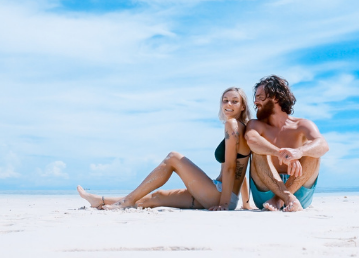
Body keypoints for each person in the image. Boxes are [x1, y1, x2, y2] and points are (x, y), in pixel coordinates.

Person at [77, 87, 255, 211]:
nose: (228, 105)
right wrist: (243, 202)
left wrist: (225, 204)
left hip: (219, 195)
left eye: (234, 101)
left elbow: (232, 167)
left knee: (174, 157)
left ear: (243, 106)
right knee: (157, 197)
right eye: (225, 100)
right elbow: (242, 169)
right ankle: (99, 200)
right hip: (222, 193)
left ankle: (127, 201)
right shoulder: (242, 128)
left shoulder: (232, 125)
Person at [245, 75, 329, 212]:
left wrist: (300, 151)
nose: (255, 102)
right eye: (255, 98)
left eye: (260, 97)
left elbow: (323, 145)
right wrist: (280, 153)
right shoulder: (255, 124)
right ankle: (286, 197)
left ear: (276, 98)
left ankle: (280, 199)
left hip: (298, 189)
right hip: (266, 190)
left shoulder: (302, 124)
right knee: (259, 150)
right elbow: (252, 140)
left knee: (313, 151)